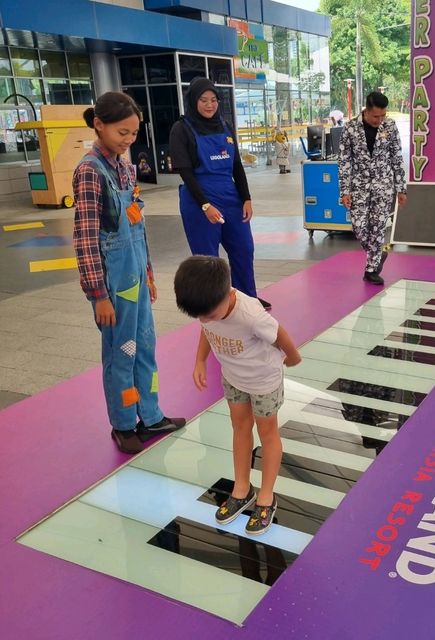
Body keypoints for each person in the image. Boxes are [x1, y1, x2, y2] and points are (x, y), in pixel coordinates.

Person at [72, 92, 185, 455]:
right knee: (122, 354)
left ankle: (150, 415)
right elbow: (85, 240)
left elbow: (136, 225)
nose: (128, 140)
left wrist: (149, 273)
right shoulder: (90, 171)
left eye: (134, 134)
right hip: (114, 286)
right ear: (99, 125)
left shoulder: (125, 166)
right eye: (122, 132)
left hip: (136, 275)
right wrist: (98, 295)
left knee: (145, 349)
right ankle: (123, 423)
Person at [173, 255, 301, 535]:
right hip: (233, 377)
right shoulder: (209, 308)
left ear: (229, 294)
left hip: (264, 380)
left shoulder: (251, 314)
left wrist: (293, 358)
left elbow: (280, 334)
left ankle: (267, 495)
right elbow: (206, 330)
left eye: (211, 314)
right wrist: (199, 361)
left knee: (267, 434)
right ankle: (242, 488)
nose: (206, 320)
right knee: (240, 427)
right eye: (200, 316)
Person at [169, 77, 271, 310]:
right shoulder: (181, 129)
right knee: (208, 259)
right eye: (203, 100)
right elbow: (185, 172)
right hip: (199, 200)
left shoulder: (224, 126)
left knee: (244, 249)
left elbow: (236, 164)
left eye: (213, 99)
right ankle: (213, 304)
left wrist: (246, 197)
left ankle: (247, 298)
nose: (209, 105)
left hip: (230, 195)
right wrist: (205, 205)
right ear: (193, 101)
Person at [338, 91, 407, 285]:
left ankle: (371, 268)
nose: (380, 119)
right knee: (359, 227)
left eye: (383, 115)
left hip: (383, 186)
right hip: (359, 185)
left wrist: (401, 188)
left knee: (377, 228)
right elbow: (344, 162)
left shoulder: (390, 126)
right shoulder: (350, 128)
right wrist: (345, 191)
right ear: (366, 111)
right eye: (376, 116)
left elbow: (396, 157)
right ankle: (376, 254)